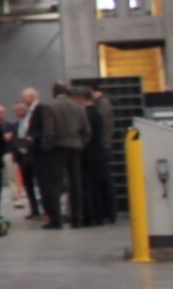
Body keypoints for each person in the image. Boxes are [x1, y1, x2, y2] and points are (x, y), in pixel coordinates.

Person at [34, 81, 88, 229]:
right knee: (75, 183)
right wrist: (80, 143)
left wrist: (46, 148)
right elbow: (86, 130)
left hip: (57, 148)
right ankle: (77, 218)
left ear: (54, 92)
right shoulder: (78, 107)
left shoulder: (50, 107)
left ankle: (56, 219)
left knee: (54, 184)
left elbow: (49, 132)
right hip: (75, 147)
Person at [77, 85, 118, 225]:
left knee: (102, 182)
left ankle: (107, 213)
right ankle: (107, 213)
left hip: (100, 147)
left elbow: (97, 130)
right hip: (102, 147)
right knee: (102, 181)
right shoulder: (101, 105)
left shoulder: (101, 106)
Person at [13, 89, 44, 220]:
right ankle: (34, 208)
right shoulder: (17, 124)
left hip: (34, 154)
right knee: (28, 184)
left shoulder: (32, 118)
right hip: (23, 156)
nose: (18, 113)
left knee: (40, 182)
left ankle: (44, 208)